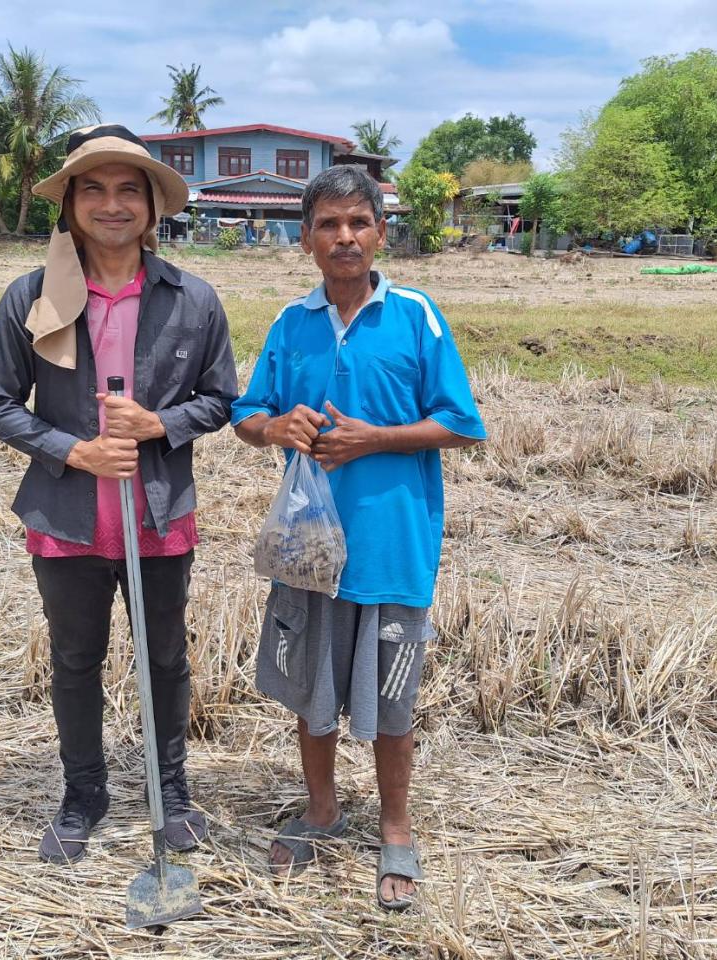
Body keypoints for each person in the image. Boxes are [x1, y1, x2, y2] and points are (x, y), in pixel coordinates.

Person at [0, 124, 237, 864]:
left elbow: (222, 400)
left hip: (158, 517)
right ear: (71, 204)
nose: (112, 204)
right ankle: (83, 794)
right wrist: (73, 449)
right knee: (76, 659)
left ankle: (170, 790)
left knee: (165, 660)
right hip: (66, 520)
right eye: (94, 188)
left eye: (130, 189)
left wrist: (160, 423)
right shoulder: (33, 297)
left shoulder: (194, 299)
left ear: (154, 207)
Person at [231, 165, 486, 909]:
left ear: (380, 232)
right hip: (308, 552)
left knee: (392, 704)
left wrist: (376, 439)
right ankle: (321, 810)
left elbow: (461, 423)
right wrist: (275, 427)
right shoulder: (292, 324)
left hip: (391, 549)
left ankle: (397, 830)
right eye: (328, 225)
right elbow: (248, 414)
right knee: (311, 696)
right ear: (306, 238)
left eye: (358, 223)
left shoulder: (415, 316)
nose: (344, 237)